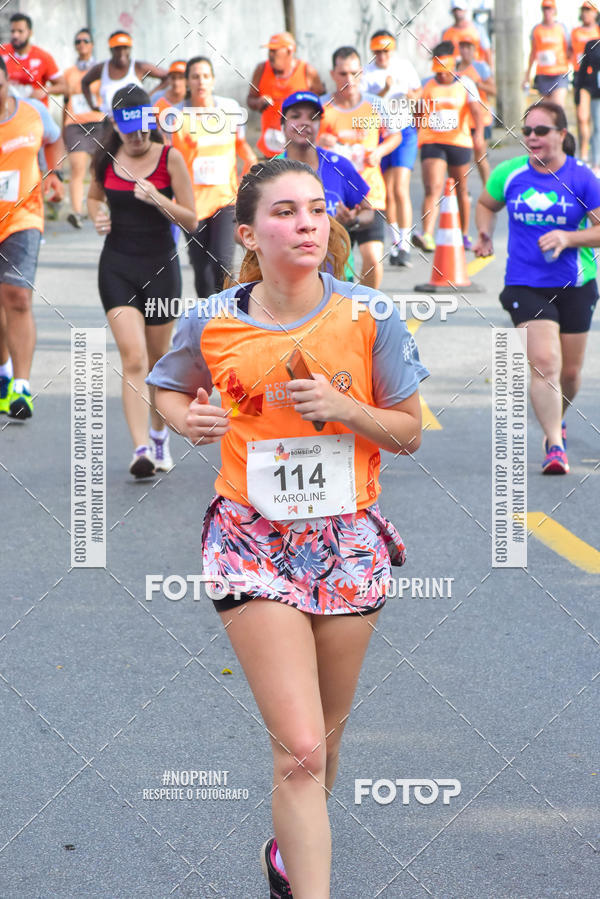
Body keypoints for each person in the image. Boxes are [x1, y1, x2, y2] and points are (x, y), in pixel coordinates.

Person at [147, 157, 428, 898]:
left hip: (347, 539)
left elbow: (408, 433)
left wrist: (347, 411)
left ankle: (288, 852)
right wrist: (190, 420)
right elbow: (169, 392)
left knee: (324, 741)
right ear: (248, 232)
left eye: (314, 210)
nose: (305, 223)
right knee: (299, 749)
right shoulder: (211, 319)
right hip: (251, 538)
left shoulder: (370, 315)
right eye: (284, 212)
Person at [474, 102, 600, 474]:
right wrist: (483, 233)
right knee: (545, 363)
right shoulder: (510, 173)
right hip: (525, 283)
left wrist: (568, 237)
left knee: (570, 375)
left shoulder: (582, 178)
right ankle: (555, 445)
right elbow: (485, 203)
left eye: (541, 131)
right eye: (526, 131)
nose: (531, 137)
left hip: (576, 283)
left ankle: (554, 418)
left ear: (562, 134)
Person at [87, 85, 197, 477]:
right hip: (116, 266)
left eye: (142, 128)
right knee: (132, 358)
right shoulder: (105, 159)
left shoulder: (171, 157)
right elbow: (92, 198)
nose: (137, 137)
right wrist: (97, 213)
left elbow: (191, 220)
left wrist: (158, 199)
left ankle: (158, 436)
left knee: (156, 361)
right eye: (128, 130)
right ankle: (140, 451)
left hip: (160, 270)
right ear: (116, 127)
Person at [0, 57, 65, 420]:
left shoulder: (34, 111)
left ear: (7, 82)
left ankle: (21, 386)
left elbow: (54, 140)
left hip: (23, 216)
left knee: (17, 296)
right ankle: (4, 372)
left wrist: (53, 175)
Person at [171, 56, 257, 297]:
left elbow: (240, 145)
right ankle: (207, 316)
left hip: (225, 199)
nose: (201, 81)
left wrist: (250, 170)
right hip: (192, 203)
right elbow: (169, 157)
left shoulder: (229, 109)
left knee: (222, 261)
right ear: (188, 81)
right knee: (201, 268)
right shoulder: (175, 116)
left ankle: (228, 314)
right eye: (195, 76)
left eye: (206, 76)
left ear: (213, 80)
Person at [319, 46, 402, 287]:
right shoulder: (322, 107)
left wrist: (379, 151)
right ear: (333, 74)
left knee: (373, 260)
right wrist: (319, 142)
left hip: (369, 193)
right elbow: (303, 144)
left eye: (354, 73)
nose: (349, 79)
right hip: (334, 196)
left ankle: (366, 309)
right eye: (343, 73)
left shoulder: (376, 104)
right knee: (331, 267)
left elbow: (395, 136)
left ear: (362, 73)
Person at [277, 90, 373, 280]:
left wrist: (353, 220)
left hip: (338, 278)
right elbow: (242, 229)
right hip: (285, 280)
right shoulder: (269, 172)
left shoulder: (340, 165)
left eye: (312, 117)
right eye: (296, 116)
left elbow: (368, 212)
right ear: (282, 124)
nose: (304, 122)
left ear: (320, 124)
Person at [414, 41, 484, 252]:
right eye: (439, 71)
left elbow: (476, 111)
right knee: (432, 188)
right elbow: (417, 112)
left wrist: (478, 135)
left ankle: (463, 235)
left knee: (460, 188)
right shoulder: (427, 84)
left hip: (458, 141)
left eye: (446, 71)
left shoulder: (466, 83)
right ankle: (427, 235)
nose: (442, 76)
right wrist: (419, 127)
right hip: (432, 140)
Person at [361, 30, 421, 267]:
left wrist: (409, 95)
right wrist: (384, 91)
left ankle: (405, 245)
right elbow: (364, 101)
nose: (382, 56)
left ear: (392, 50)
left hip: (404, 131)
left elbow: (418, 93)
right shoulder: (367, 72)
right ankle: (396, 244)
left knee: (400, 188)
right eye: (377, 51)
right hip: (379, 134)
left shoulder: (404, 67)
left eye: (385, 51)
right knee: (386, 191)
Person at [247, 31, 325, 158]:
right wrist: (258, 103)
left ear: (289, 51)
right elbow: (250, 99)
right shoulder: (261, 70)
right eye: (270, 51)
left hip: (301, 145)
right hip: (272, 145)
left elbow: (322, 104)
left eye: (275, 51)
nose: (270, 55)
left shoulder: (307, 71)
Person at [62, 28, 105, 229]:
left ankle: (97, 210)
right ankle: (77, 213)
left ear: (92, 45)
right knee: (78, 168)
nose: (81, 45)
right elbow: (65, 99)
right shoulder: (69, 73)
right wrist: (64, 126)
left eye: (85, 41)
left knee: (97, 168)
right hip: (75, 125)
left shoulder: (102, 70)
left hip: (98, 122)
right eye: (77, 41)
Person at [81, 31, 167, 119]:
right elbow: (84, 82)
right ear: (111, 50)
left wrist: (149, 96)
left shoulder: (139, 67)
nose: (121, 52)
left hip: (136, 119)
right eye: (117, 48)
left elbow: (168, 76)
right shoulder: (102, 68)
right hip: (111, 120)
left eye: (125, 48)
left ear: (130, 49)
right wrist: (92, 106)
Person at [0, 12, 64, 105]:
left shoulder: (43, 56)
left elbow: (64, 86)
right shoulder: (2, 52)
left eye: (20, 31)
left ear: (30, 33)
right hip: (8, 112)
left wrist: (45, 90)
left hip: (35, 113)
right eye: (13, 31)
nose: (15, 35)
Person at [456, 36, 496, 185]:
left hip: (481, 118)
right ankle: (462, 192)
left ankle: (489, 188)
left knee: (479, 157)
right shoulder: (455, 68)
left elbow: (493, 90)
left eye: (469, 47)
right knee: (461, 159)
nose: (465, 51)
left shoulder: (480, 67)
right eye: (462, 47)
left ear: (474, 50)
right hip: (462, 120)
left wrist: (477, 84)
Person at [523, 1, 570, 107]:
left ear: (554, 10)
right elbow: (533, 53)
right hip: (543, 74)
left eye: (549, 8)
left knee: (558, 108)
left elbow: (569, 50)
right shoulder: (537, 30)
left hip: (559, 74)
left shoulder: (561, 28)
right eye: (544, 8)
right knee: (546, 110)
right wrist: (527, 75)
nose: (547, 11)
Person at [571, 2, 600, 163]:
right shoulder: (575, 32)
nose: (586, 13)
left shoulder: (598, 31)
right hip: (581, 75)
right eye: (583, 10)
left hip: (596, 79)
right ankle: (583, 153)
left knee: (596, 119)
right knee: (582, 118)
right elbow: (568, 50)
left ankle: (595, 156)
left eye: (589, 10)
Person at [576, 37, 600, 174]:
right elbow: (584, 67)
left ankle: (596, 161)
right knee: (591, 123)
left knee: (598, 126)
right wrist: (578, 92)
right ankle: (592, 159)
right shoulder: (592, 44)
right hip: (593, 88)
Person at [442, 0, 492, 65]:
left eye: (460, 9)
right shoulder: (446, 32)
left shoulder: (477, 29)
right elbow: (443, 55)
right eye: (455, 10)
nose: (457, 12)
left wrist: (490, 72)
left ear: (465, 10)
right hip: (455, 71)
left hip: (474, 71)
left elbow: (487, 51)